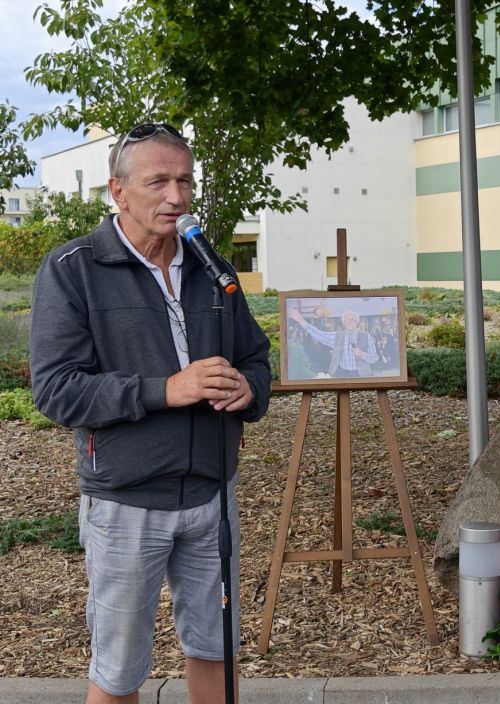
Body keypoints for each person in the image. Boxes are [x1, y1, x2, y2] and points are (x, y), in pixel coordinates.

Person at [29, 123, 271, 704]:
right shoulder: (73, 269)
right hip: (125, 503)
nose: (176, 196)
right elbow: (57, 390)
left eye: (184, 181)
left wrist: (249, 389)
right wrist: (167, 389)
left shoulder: (211, 267)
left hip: (213, 496)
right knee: (118, 671)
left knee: (216, 652)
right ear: (118, 191)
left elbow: (257, 359)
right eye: (158, 182)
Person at [287, 305, 378, 377]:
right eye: (347, 320)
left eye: (352, 319)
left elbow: (375, 358)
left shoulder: (366, 336)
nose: (350, 322)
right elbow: (319, 335)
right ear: (343, 323)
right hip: (341, 375)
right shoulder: (337, 336)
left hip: (361, 376)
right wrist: (301, 320)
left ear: (357, 322)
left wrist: (362, 354)